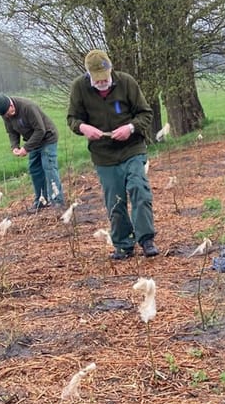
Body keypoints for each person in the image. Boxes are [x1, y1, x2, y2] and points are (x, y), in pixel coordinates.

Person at [67, 50, 159, 260]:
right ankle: (123, 245)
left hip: (132, 148)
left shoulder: (126, 82)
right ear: (88, 75)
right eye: (97, 80)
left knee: (139, 189)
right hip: (104, 155)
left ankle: (146, 240)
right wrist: (83, 128)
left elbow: (146, 113)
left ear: (111, 70)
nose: (102, 83)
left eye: (105, 79)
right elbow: (72, 118)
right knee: (115, 200)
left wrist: (130, 128)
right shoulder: (79, 88)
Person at [0, 94, 65, 211]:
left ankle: (57, 201)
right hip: (33, 141)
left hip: (47, 137)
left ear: (11, 104)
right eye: (5, 115)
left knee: (49, 167)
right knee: (34, 169)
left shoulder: (27, 107)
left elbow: (41, 130)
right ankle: (41, 200)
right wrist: (15, 146)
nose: (8, 116)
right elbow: (11, 132)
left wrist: (26, 148)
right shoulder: (5, 113)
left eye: (8, 113)